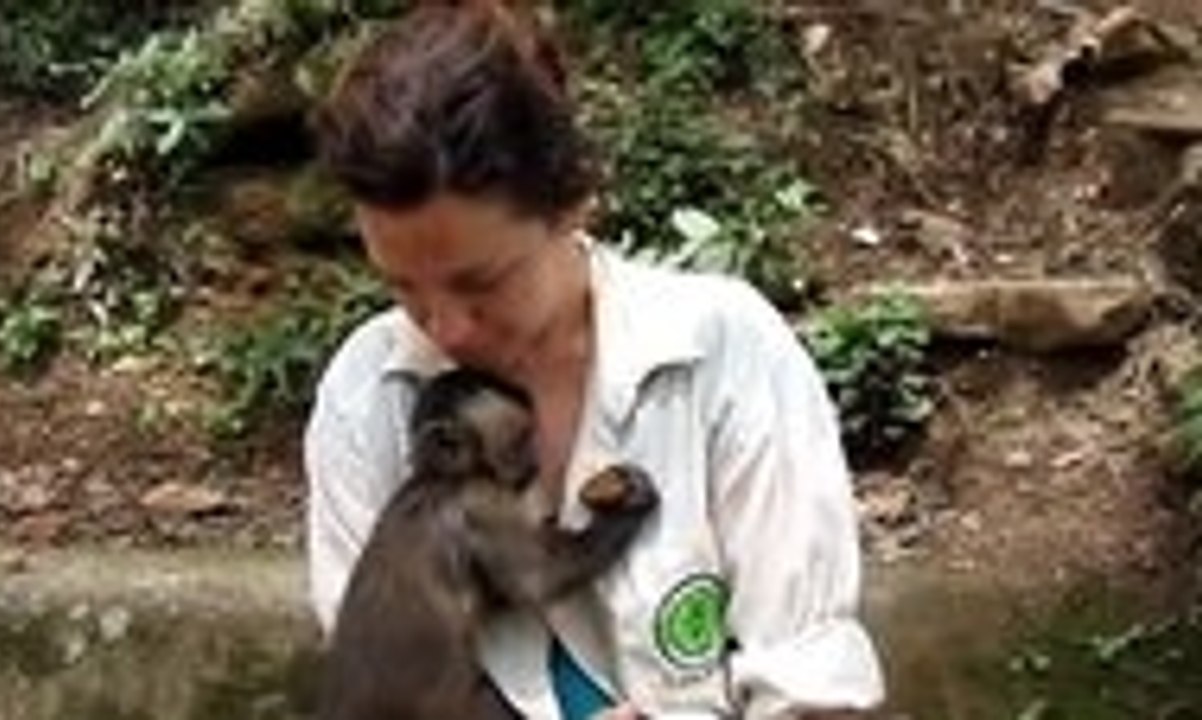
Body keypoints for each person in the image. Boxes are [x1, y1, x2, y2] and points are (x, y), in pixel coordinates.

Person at [304, 0, 885, 717]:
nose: (445, 329)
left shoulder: (721, 353)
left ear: (574, 207)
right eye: (401, 287)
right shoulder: (366, 396)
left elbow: (812, 682)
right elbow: (378, 695)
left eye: (481, 284)